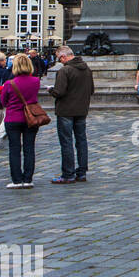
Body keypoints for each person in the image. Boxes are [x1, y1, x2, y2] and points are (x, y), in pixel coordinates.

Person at [48, 45, 94, 184]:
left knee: (66, 142)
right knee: (81, 141)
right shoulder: (87, 69)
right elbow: (91, 90)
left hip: (66, 111)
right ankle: (81, 173)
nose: (60, 61)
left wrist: (51, 90)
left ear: (63, 56)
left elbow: (59, 92)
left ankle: (68, 174)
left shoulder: (65, 70)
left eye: (59, 59)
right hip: (82, 110)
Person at [0, 53, 41, 189]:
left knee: (14, 149)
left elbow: (3, 102)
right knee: (29, 148)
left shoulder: (9, 84)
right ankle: (28, 178)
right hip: (31, 117)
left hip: (13, 118)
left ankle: (16, 180)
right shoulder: (36, 81)